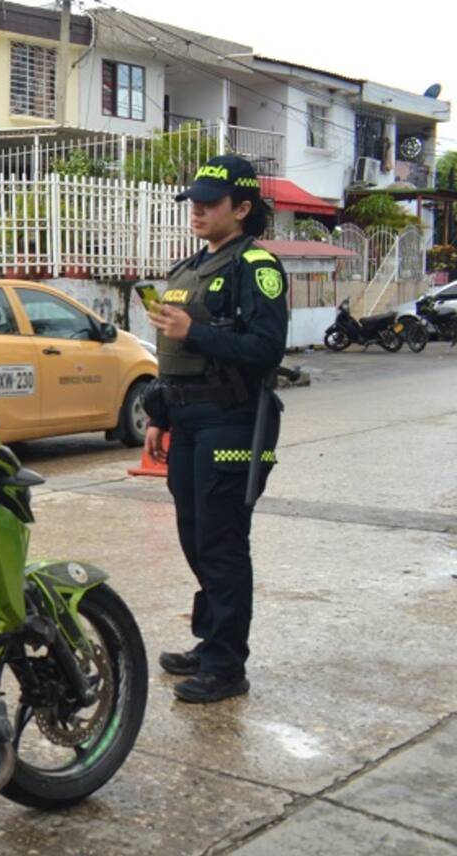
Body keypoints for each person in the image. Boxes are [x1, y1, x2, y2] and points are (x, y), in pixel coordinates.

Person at [144, 155, 289, 704]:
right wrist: (159, 417)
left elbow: (266, 348)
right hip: (185, 417)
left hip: (233, 422)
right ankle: (211, 642)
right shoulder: (189, 267)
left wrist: (196, 331)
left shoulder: (256, 266)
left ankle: (228, 665)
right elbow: (169, 353)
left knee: (223, 541)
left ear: (243, 208)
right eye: (195, 201)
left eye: (211, 201)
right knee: (193, 534)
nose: (198, 209)